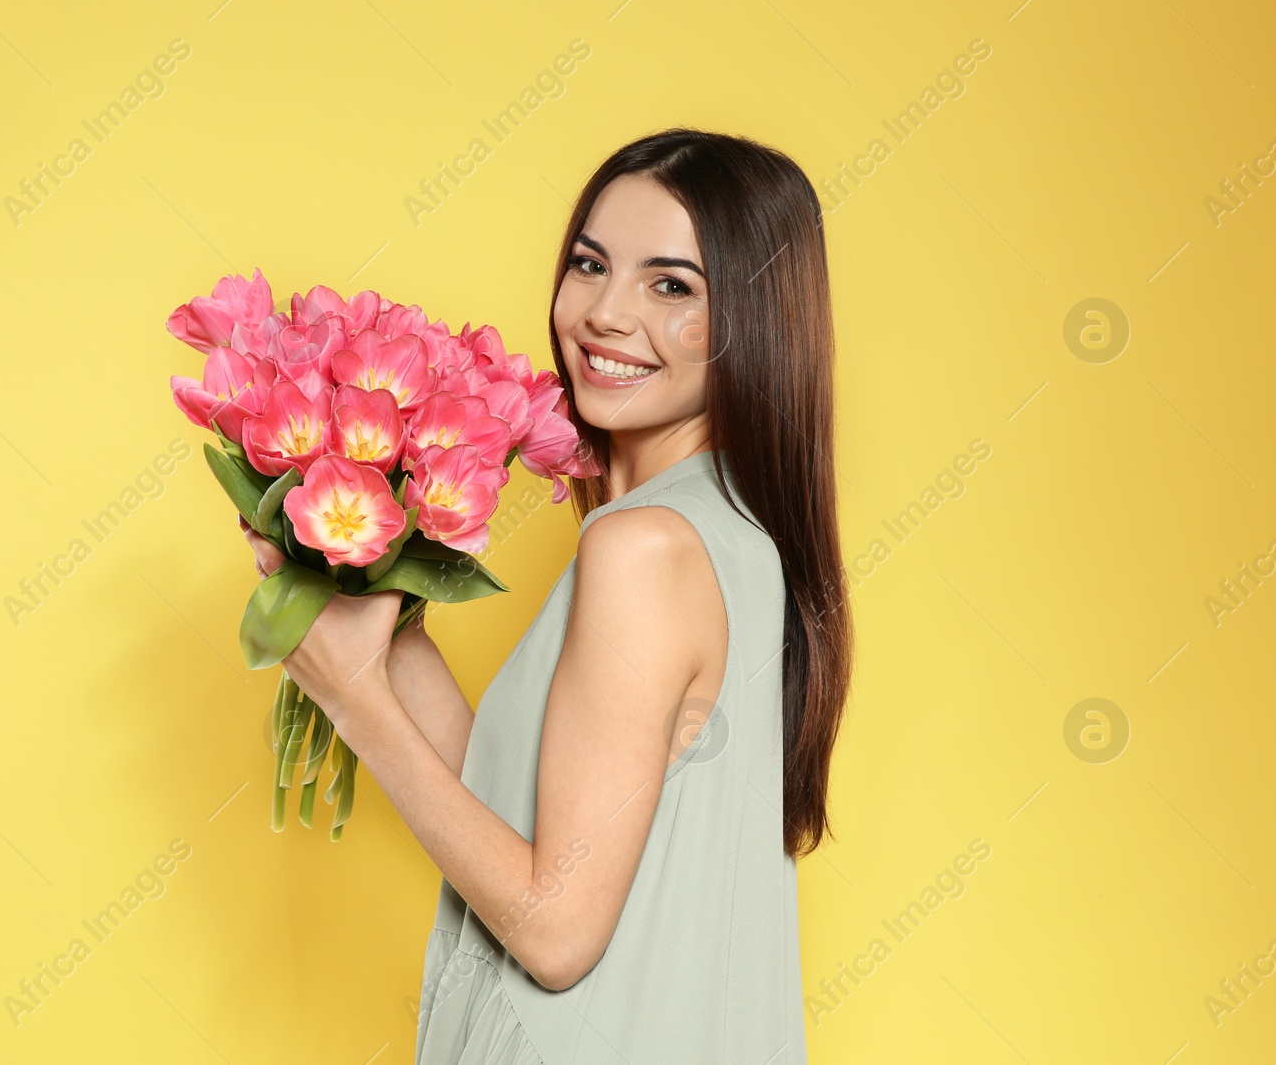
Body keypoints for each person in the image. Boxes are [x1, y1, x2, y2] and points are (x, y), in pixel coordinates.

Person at [239, 127, 853, 1064]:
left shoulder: (642, 545)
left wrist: (352, 698)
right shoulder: (727, 534)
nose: (606, 313)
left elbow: (557, 931)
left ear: (754, 320)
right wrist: (370, 598)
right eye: (590, 264)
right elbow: (527, 814)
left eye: (672, 285)